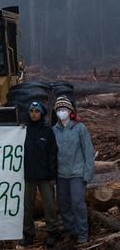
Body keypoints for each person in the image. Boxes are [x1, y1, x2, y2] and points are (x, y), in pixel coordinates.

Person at [52, 96, 95, 244]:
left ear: (70, 111)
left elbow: (88, 152)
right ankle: (70, 231)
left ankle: (83, 232)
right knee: (64, 204)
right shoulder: (54, 130)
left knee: (77, 203)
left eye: (63, 109)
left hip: (77, 173)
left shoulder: (79, 128)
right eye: (58, 109)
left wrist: (88, 174)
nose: (61, 111)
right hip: (61, 174)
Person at [22, 100, 59, 248]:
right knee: (27, 207)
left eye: (37, 111)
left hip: (45, 176)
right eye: (31, 111)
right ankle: (28, 233)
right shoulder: (23, 130)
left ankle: (52, 232)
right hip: (28, 176)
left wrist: (52, 176)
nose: (34, 114)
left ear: (42, 113)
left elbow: (52, 154)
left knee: (49, 205)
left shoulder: (47, 131)